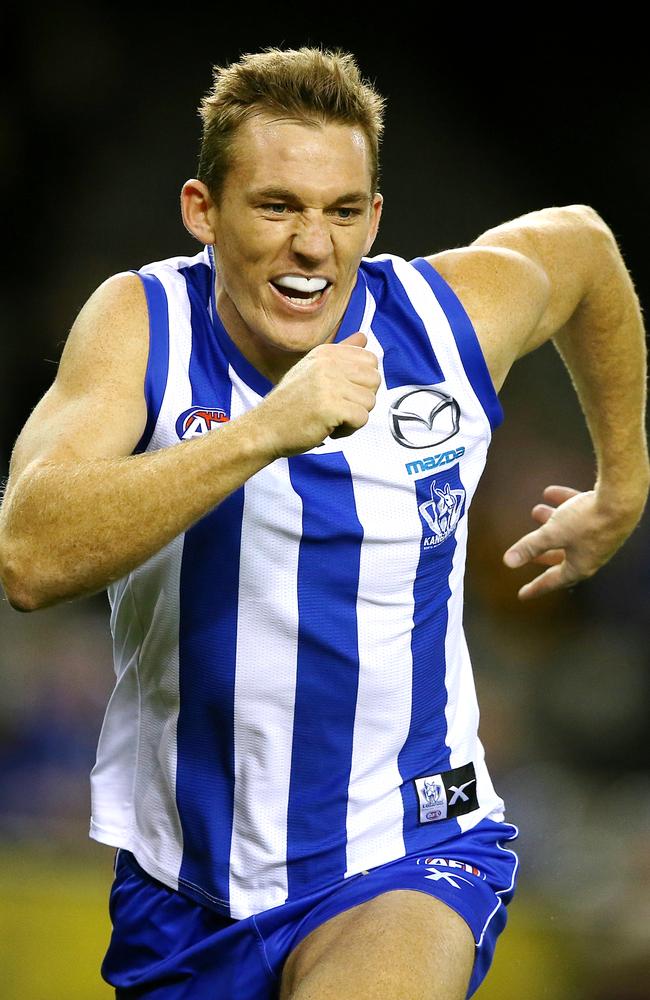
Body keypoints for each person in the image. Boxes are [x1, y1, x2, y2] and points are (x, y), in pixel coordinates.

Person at [0, 45, 647, 1000]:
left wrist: (622, 486)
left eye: (344, 212)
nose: (316, 245)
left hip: (407, 852)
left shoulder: (444, 321)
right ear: (202, 212)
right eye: (277, 207)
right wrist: (266, 431)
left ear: (375, 217)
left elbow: (585, 247)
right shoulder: (145, 325)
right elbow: (28, 554)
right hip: (184, 894)